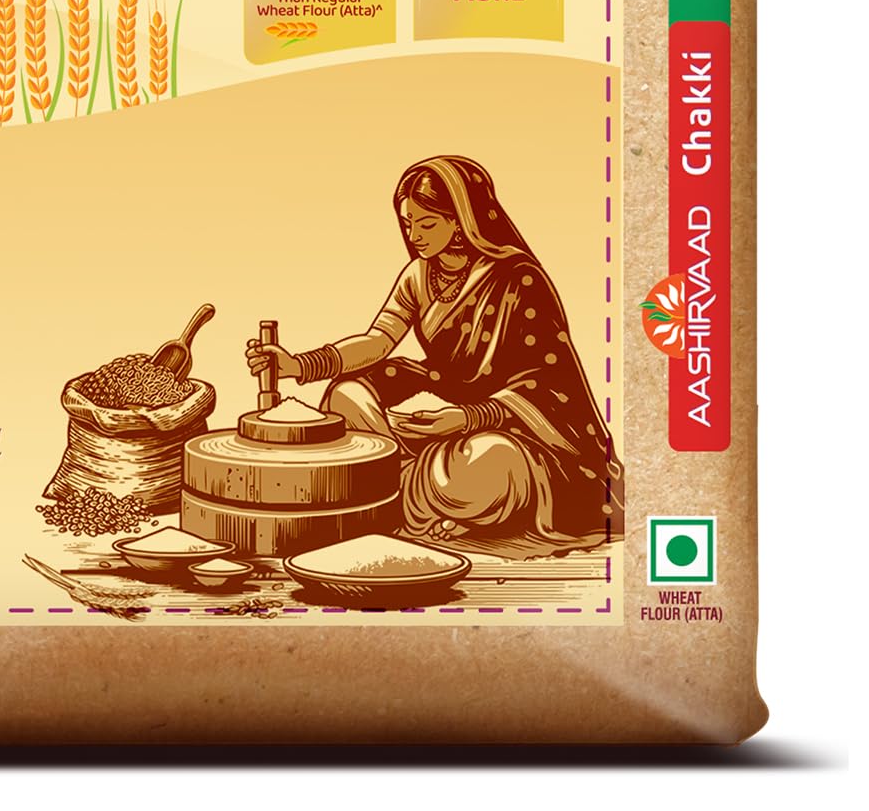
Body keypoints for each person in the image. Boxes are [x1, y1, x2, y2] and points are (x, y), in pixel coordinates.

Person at [245, 155, 621, 556]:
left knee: (493, 461)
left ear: (460, 221)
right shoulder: (419, 274)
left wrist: (467, 418)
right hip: (442, 414)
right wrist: (299, 365)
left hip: (512, 429)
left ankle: (389, 492)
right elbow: (378, 340)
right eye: (408, 223)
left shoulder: (517, 278)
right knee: (346, 395)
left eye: (427, 224)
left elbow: (547, 382)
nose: (414, 236)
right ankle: (415, 492)